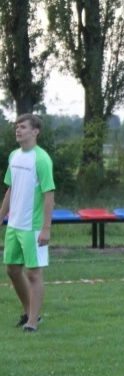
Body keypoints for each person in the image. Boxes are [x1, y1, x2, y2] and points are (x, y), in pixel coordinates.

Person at [0, 114, 55, 332]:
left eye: (23, 127)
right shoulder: (14, 156)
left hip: (32, 227)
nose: (18, 130)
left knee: (33, 273)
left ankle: (32, 322)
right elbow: (10, 189)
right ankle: (30, 312)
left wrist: (46, 229)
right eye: (17, 127)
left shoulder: (41, 159)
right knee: (12, 270)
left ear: (35, 131)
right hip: (14, 225)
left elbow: (49, 195)